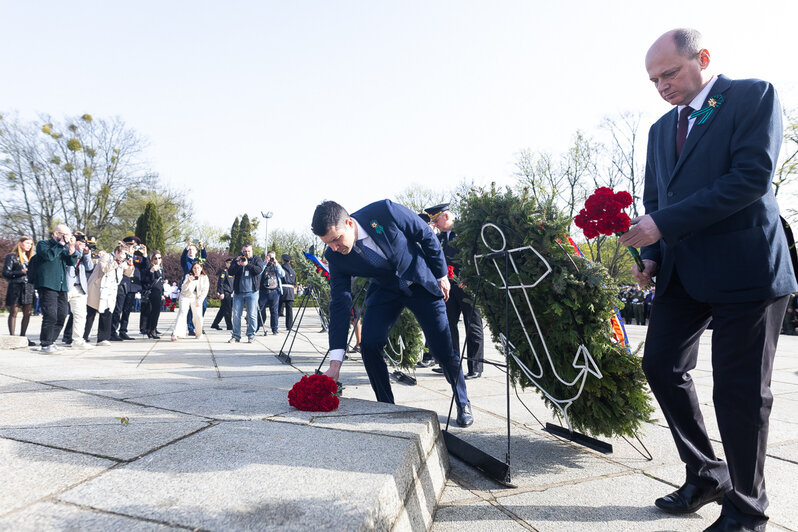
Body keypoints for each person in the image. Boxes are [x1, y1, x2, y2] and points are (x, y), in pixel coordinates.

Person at [619, 29, 798, 532]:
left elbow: (750, 178)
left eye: (670, 73)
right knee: (660, 364)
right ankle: (705, 472)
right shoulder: (659, 129)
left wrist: (664, 226)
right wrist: (651, 252)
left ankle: (747, 508)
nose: (662, 86)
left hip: (746, 267)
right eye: (653, 79)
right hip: (682, 271)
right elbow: (657, 197)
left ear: (703, 58)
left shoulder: (751, 95)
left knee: (739, 393)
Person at [311, 199, 473, 427]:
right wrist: (335, 363)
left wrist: (441, 274)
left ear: (348, 222)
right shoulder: (336, 256)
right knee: (369, 345)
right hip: (386, 290)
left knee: (442, 349)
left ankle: (462, 401)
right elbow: (339, 304)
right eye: (329, 243)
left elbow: (425, 235)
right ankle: (386, 406)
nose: (335, 247)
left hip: (420, 282)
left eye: (336, 239)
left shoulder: (384, 211)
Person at [426, 203, 485, 379]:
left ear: (446, 216)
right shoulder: (441, 237)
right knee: (449, 325)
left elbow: (475, 256)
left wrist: (470, 278)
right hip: (449, 287)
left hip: (467, 286)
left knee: (472, 325)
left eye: (436, 220)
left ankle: (475, 367)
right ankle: (452, 363)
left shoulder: (465, 231)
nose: (435, 224)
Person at [33, 224, 77, 353]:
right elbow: (49, 256)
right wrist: (61, 244)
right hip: (47, 284)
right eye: (66, 234)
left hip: (61, 286)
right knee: (50, 315)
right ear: (57, 234)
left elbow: (71, 262)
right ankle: (46, 343)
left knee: (62, 315)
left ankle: (51, 341)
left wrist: (72, 247)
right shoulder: (43, 244)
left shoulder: (63, 247)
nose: (68, 237)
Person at [86, 246, 128, 345]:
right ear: (117, 252)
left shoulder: (122, 261)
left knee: (107, 313)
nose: (124, 256)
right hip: (98, 288)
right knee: (90, 313)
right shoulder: (106, 257)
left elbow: (129, 273)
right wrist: (116, 262)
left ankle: (103, 338)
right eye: (123, 253)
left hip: (111, 290)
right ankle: (82, 336)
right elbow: (105, 268)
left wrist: (130, 266)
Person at [61, 232, 95, 348]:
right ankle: (48, 340)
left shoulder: (83, 254)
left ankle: (78, 340)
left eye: (84, 243)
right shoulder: (65, 250)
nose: (83, 246)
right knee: (58, 314)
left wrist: (86, 254)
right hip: (66, 286)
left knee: (80, 315)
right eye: (81, 243)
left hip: (80, 288)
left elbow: (90, 267)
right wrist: (75, 250)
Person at [110, 236, 147, 341]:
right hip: (122, 284)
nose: (132, 248)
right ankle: (112, 331)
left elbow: (145, 268)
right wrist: (127, 255)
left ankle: (123, 330)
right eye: (130, 245)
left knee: (127, 310)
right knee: (118, 309)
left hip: (132, 286)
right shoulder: (122, 256)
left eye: (134, 246)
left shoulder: (138, 258)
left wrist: (144, 255)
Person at [3, 236, 36, 346]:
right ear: (20, 243)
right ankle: (12, 338)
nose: (29, 246)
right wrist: (20, 272)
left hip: (29, 287)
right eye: (27, 243)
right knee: (14, 312)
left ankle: (23, 337)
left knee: (27, 313)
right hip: (16, 287)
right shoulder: (11, 256)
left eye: (31, 244)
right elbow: (6, 273)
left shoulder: (30, 258)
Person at [228, 244, 264, 343]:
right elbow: (230, 272)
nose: (246, 253)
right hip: (239, 292)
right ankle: (236, 336)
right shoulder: (238, 260)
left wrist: (247, 264)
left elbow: (258, 270)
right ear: (242, 251)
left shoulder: (257, 259)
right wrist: (237, 263)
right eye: (244, 251)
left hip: (252, 292)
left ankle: (251, 335)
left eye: (248, 251)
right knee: (236, 314)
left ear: (252, 251)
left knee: (252, 315)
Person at [171, 261, 209, 341]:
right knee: (182, 312)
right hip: (185, 296)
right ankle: (176, 333)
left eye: (198, 268)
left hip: (196, 297)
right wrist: (188, 281)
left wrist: (200, 300)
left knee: (198, 315)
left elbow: (205, 291)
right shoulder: (188, 276)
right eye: (194, 268)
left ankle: (199, 333)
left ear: (201, 268)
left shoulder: (204, 277)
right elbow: (183, 288)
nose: (196, 270)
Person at [181, 239, 207, 336]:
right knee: (190, 309)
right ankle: (191, 328)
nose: (191, 251)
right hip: (190, 289)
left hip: (199, 288)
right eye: (189, 250)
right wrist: (187, 246)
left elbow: (204, 257)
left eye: (193, 249)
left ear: (196, 251)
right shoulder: (186, 261)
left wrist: (202, 246)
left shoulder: (199, 261)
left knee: (203, 306)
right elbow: (183, 257)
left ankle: (199, 326)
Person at [258, 250, 284, 335]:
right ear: (266, 256)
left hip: (274, 291)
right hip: (263, 291)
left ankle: (274, 329)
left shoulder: (276, 266)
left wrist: (276, 264)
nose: (271, 259)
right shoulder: (263, 265)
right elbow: (258, 274)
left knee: (274, 311)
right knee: (260, 310)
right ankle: (257, 326)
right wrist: (265, 263)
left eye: (272, 257)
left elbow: (282, 274)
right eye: (269, 256)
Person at [142, 250, 166, 339]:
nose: (157, 260)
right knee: (153, 312)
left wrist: (162, 294)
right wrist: (151, 271)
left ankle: (152, 329)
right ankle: (151, 330)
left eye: (159, 258)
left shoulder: (161, 268)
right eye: (155, 258)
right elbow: (146, 280)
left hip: (159, 292)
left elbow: (161, 282)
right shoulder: (150, 268)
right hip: (153, 293)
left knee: (156, 312)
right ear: (152, 259)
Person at [210, 258, 234, 331]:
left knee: (223, 310)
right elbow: (220, 283)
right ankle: (229, 326)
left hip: (231, 293)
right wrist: (221, 292)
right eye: (228, 263)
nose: (229, 264)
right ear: (226, 264)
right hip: (225, 293)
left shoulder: (233, 272)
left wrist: (233, 292)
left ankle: (215, 324)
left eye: (231, 263)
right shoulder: (224, 272)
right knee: (228, 310)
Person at [279, 254, 297, 331]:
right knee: (289, 310)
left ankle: (275, 326)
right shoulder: (293, 271)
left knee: (277, 309)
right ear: (289, 261)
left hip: (282, 289)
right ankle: (289, 326)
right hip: (290, 290)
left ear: (283, 261)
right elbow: (295, 282)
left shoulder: (281, 268)